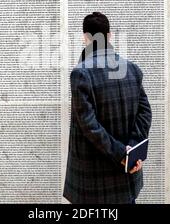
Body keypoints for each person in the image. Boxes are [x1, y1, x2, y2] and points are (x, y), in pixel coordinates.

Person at [63, 12, 152, 204]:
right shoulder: (132, 69)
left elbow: (89, 125)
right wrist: (131, 153)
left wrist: (121, 154)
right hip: (127, 178)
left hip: (93, 185)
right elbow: (145, 113)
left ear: (85, 38)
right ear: (109, 35)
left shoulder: (81, 73)